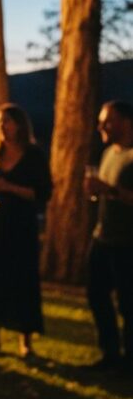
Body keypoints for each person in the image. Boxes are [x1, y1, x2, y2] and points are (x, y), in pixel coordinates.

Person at [0, 103, 52, 358]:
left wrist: (9, 187)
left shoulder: (34, 155)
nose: (2, 128)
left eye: (6, 122)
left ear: (19, 124)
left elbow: (42, 193)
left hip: (21, 222)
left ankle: (25, 341)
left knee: (22, 278)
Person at [85, 100, 133, 373]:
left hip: (128, 242)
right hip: (102, 237)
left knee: (128, 303)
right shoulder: (107, 154)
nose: (101, 126)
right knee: (96, 295)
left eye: (108, 121)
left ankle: (129, 360)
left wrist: (110, 190)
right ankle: (110, 353)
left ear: (126, 122)